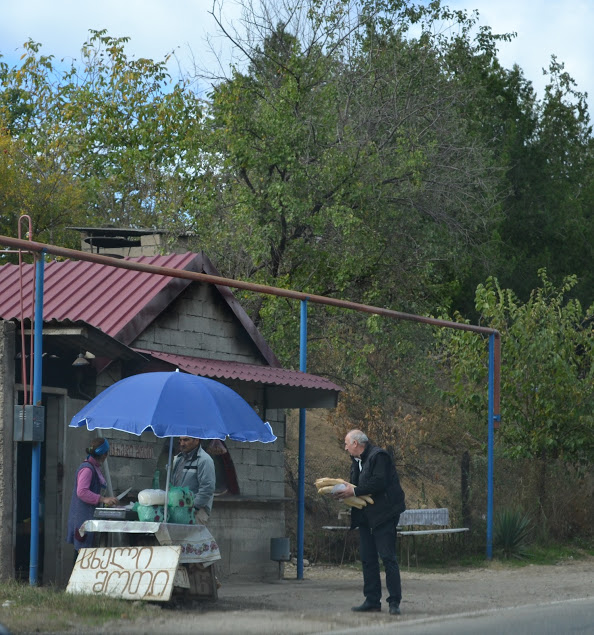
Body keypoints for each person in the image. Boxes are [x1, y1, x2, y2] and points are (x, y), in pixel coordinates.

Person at [334, 429, 406, 616]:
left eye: (346, 444)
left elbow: (379, 482)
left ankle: (394, 602)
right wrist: (344, 495)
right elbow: (357, 487)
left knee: (388, 557)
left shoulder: (379, 456)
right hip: (365, 516)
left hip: (384, 514)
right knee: (368, 559)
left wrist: (353, 492)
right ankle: (372, 601)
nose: (345, 448)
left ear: (355, 444)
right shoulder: (356, 462)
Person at [66, 437, 118, 554]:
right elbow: (82, 492)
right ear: (104, 455)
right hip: (83, 520)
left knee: (83, 556)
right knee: (82, 556)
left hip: (88, 519)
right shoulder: (87, 469)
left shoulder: (94, 467)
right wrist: (103, 499)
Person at [171, 436, 215, 525]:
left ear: (196, 440)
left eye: (186, 440)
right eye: (180, 440)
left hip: (195, 512)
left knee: (191, 534)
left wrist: (193, 507)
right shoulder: (179, 459)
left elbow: (207, 488)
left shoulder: (204, 460)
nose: (182, 444)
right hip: (178, 509)